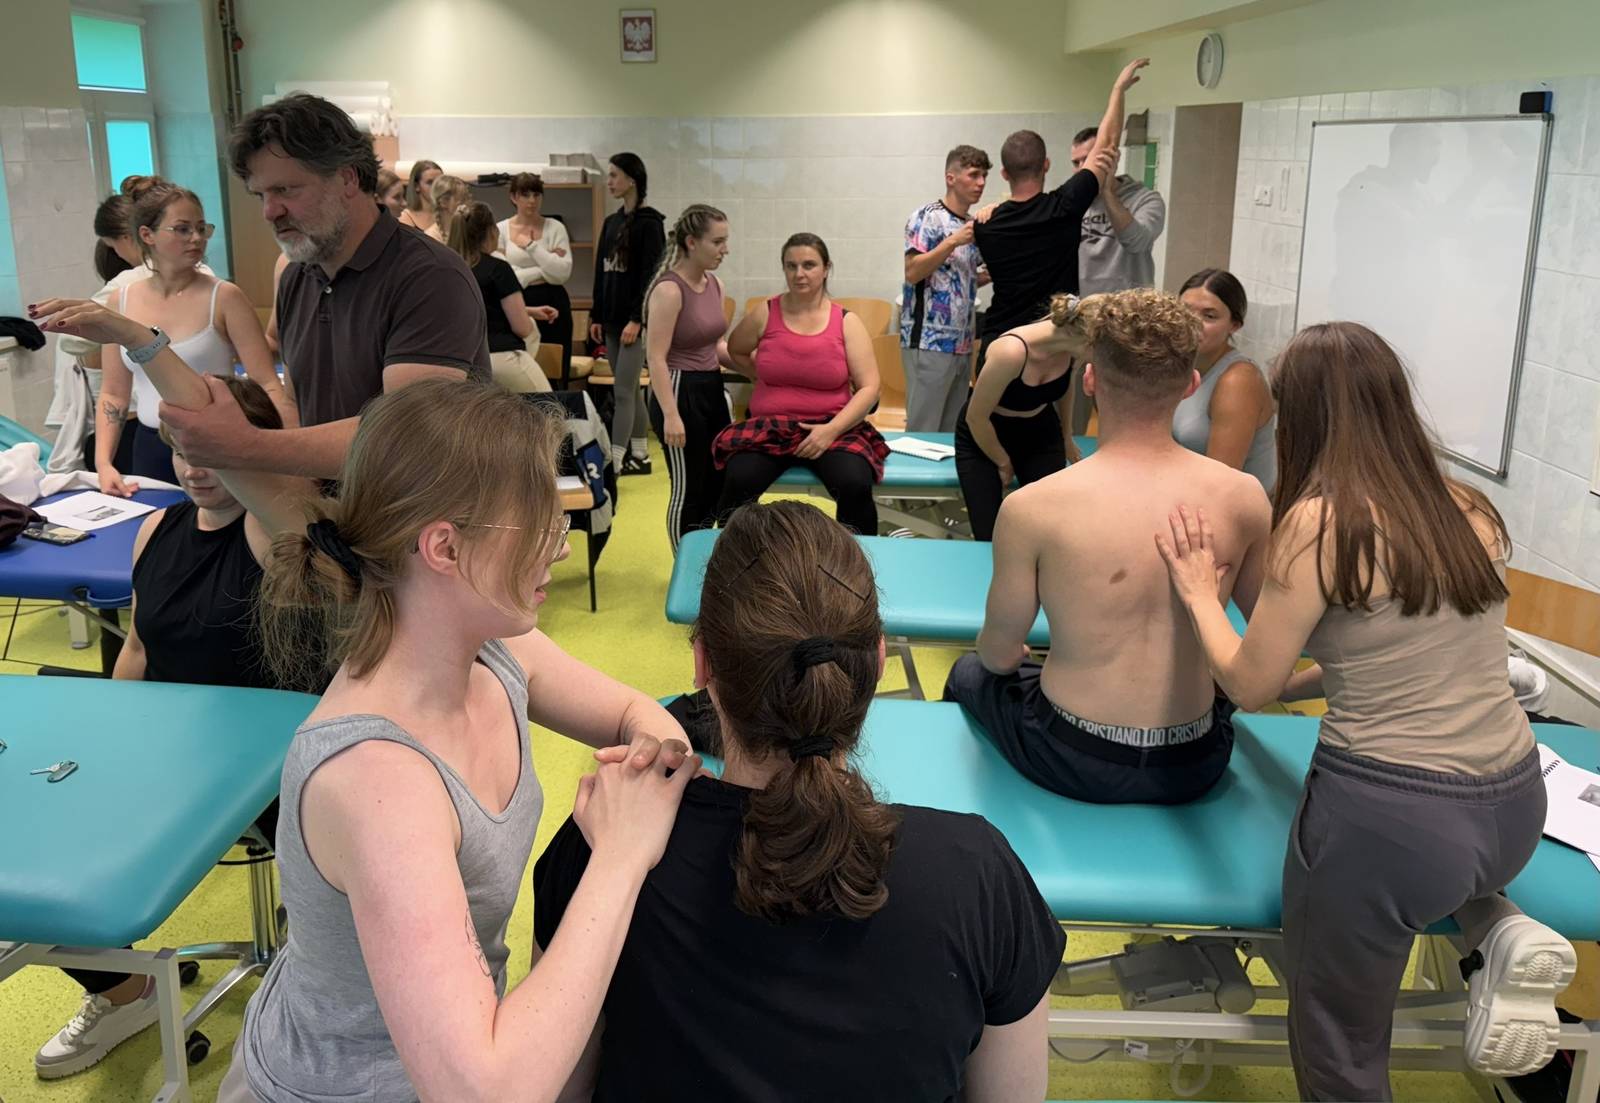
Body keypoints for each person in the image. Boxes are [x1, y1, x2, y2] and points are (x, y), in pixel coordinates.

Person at [1155, 321, 1577, 1099]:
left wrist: (1198, 594)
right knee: (1444, 873)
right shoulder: (1466, 509)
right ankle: (1496, 924)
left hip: (1396, 825)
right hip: (1514, 806)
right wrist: (1300, 682)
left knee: (1339, 1045)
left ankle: (1485, 926)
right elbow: (1403, 649)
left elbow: (1246, 685)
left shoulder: (1321, 524)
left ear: (1300, 415)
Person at [533, 500, 1062, 1102]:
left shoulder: (601, 850)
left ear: (703, 663)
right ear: (878, 660)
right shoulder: (977, 874)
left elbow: (556, 1087)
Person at [28, 374, 309, 1083]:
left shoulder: (275, 534)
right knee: (33, 837)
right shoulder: (156, 530)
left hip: (270, 770)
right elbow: (138, 647)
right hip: (171, 755)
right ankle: (126, 992)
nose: (194, 468)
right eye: (183, 450)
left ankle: (307, 978)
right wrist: (106, 744)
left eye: (213, 450)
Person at [943, 288, 1271, 804]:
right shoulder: (1245, 496)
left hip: (1072, 755)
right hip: (1195, 759)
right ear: (1190, 385)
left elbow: (1000, 655)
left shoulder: (1033, 506)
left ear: (1090, 379)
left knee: (969, 671)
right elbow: (1266, 645)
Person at [157, 94, 489, 481]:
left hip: (419, 512)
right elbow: (297, 404)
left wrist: (246, 446)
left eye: (286, 190)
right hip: (326, 507)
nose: (270, 211)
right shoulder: (297, 276)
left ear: (347, 178)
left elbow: (408, 439)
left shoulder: (429, 276)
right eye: (261, 195)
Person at [94, 183, 290, 494]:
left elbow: (266, 382)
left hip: (217, 444)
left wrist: (283, 451)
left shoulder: (224, 297)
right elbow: (114, 393)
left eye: (201, 228)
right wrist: (104, 464)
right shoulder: (121, 301)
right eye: (183, 229)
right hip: (150, 446)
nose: (196, 238)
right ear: (147, 235)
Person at [973, 58, 1146, 367]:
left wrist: (990, 213)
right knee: (1053, 400)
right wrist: (1118, 91)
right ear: (1046, 165)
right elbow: (1106, 146)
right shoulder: (1065, 207)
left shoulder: (985, 225)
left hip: (1000, 343)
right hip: (1051, 345)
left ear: (1004, 174)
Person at [715, 233, 885, 535]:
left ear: (826, 268)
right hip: (770, 429)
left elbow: (870, 388)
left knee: (854, 483)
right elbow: (736, 350)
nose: (799, 274)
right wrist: (759, 374)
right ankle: (734, 556)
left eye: (809, 265)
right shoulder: (766, 312)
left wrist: (830, 431)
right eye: (791, 266)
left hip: (833, 428)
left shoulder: (846, 321)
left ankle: (857, 559)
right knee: (738, 480)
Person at [955, 297, 1082, 542]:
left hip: (1040, 431)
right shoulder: (1011, 352)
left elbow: (1066, 387)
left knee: (1047, 528)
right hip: (985, 434)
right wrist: (1003, 462)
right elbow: (976, 418)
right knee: (989, 534)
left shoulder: (1073, 351)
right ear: (1082, 336)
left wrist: (1067, 435)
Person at [643, 204, 731, 551]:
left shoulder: (715, 284)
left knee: (717, 484)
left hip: (711, 386)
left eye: (725, 241)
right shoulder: (669, 290)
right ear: (692, 243)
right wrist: (671, 415)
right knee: (689, 488)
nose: (725, 250)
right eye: (717, 242)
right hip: (679, 390)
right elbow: (656, 357)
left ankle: (704, 559)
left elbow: (716, 346)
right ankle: (684, 565)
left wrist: (758, 367)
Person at [899, 144, 991, 433]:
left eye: (984, 176)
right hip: (929, 341)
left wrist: (987, 276)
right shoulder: (927, 216)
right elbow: (913, 272)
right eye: (974, 175)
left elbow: (957, 278)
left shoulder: (972, 225)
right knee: (923, 431)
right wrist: (952, 241)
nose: (981, 183)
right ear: (951, 178)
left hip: (962, 344)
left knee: (951, 432)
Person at [590, 152, 665, 475]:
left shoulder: (650, 224)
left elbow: (652, 276)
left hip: (634, 322)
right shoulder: (611, 222)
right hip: (610, 319)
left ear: (632, 180)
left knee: (621, 391)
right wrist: (596, 315)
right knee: (630, 389)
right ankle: (641, 456)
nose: (609, 181)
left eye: (614, 175)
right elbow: (600, 272)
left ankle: (615, 462)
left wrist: (637, 319)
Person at [1174, 268, 1277, 492]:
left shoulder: (1238, 381)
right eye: (1184, 312)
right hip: (1188, 494)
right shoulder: (1178, 364)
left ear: (1234, 325)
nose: (1193, 323)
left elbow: (1220, 484)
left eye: (1209, 316)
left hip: (1230, 505)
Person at [449, 200, 556, 394]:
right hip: (502, 358)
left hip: (463, 363)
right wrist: (528, 319)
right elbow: (522, 328)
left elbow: (480, 307)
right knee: (548, 408)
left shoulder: (450, 269)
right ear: (491, 231)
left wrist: (529, 311)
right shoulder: (498, 269)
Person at [497, 172, 575, 384]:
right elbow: (503, 274)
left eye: (536, 194)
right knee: (523, 370)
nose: (532, 200)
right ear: (514, 197)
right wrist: (545, 263)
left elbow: (562, 273)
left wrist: (531, 246)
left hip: (553, 299)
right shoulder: (501, 229)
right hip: (518, 301)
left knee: (556, 372)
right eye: (525, 195)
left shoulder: (555, 227)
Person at [1071, 125, 1166, 297]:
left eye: (1087, 160)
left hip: (1129, 308)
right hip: (1084, 307)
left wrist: (1107, 192)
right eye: (1076, 163)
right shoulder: (1073, 202)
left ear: (1111, 159)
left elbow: (1136, 242)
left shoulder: (1145, 199)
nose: (1082, 169)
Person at [397, 158, 441, 234]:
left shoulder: (448, 214)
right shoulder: (405, 217)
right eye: (430, 182)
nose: (436, 186)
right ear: (416, 186)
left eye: (440, 181)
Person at [425, 174, 472, 244]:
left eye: (467, 198)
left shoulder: (470, 230)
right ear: (443, 202)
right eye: (462, 199)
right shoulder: (431, 237)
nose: (467, 205)